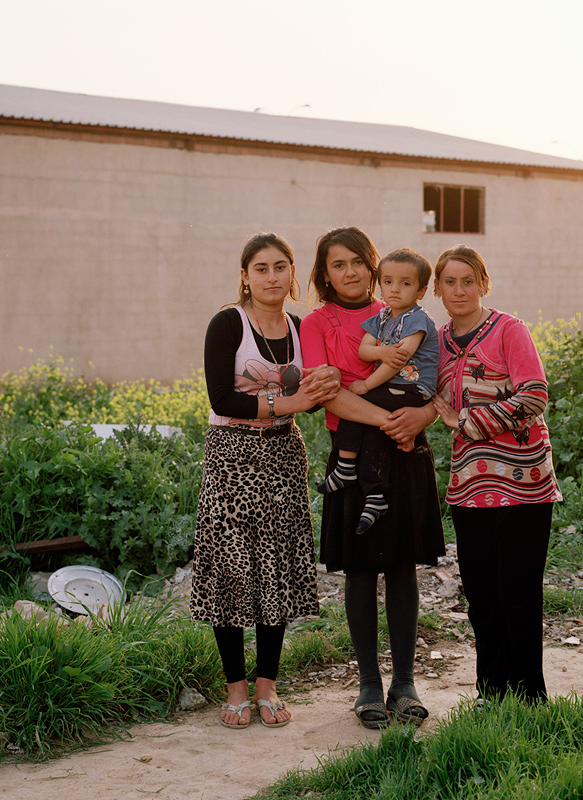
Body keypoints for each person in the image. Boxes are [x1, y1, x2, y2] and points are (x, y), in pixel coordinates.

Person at [189, 232, 339, 729]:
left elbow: (317, 391)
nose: (271, 277)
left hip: (283, 454)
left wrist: (320, 391)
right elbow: (221, 399)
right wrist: (289, 402)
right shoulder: (227, 323)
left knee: (276, 565)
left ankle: (268, 685)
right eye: (261, 268)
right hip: (231, 455)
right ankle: (235, 689)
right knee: (232, 567)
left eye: (280, 267)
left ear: (292, 273)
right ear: (245, 276)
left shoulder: (301, 328)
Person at [300, 227, 445, 729]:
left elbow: (436, 380)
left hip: (406, 448)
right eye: (338, 264)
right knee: (360, 570)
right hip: (354, 456)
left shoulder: (400, 309)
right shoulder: (316, 323)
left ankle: (404, 683)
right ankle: (368, 685)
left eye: (359, 261)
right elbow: (328, 394)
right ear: (325, 272)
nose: (351, 272)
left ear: (374, 265)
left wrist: (421, 417)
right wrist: (389, 419)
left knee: (403, 567)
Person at [430, 244, 562, 704]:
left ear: (484, 284)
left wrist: (464, 421)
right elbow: (421, 392)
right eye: (450, 282)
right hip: (469, 488)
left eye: (469, 280)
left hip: (524, 484)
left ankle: (530, 700)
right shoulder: (436, 343)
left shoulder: (510, 331)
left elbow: (534, 397)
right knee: (482, 596)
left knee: (519, 593)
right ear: (438, 290)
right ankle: (492, 694)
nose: (460, 289)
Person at [316, 248, 439, 534]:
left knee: (357, 401)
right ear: (380, 283)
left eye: (405, 284)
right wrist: (382, 351)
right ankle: (375, 495)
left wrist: (367, 383)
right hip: (393, 386)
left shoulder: (417, 320)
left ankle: (347, 467)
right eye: (388, 282)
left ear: (420, 291)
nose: (394, 289)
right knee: (370, 428)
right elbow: (365, 349)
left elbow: (397, 361)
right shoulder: (383, 317)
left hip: (412, 388)